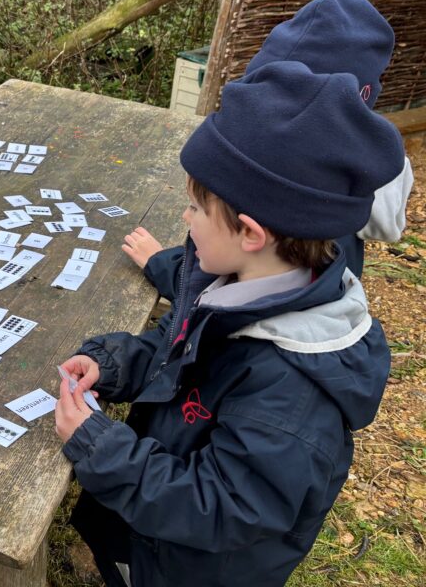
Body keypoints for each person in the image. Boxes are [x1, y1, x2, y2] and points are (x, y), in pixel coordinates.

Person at [54, 60, 405, 586]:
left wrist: (101, 449)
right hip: (153, 535)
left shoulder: (292, 393)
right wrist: (113, 365)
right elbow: (183, 352)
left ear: (250, 232)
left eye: (195, 207)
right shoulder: (244, 288)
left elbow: (219, 507)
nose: (185, 219)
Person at [124, 0, 413, 277]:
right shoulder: (332, 194)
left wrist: (161, 265)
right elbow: (221, 276)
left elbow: (223, 282)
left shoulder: (299, 213)